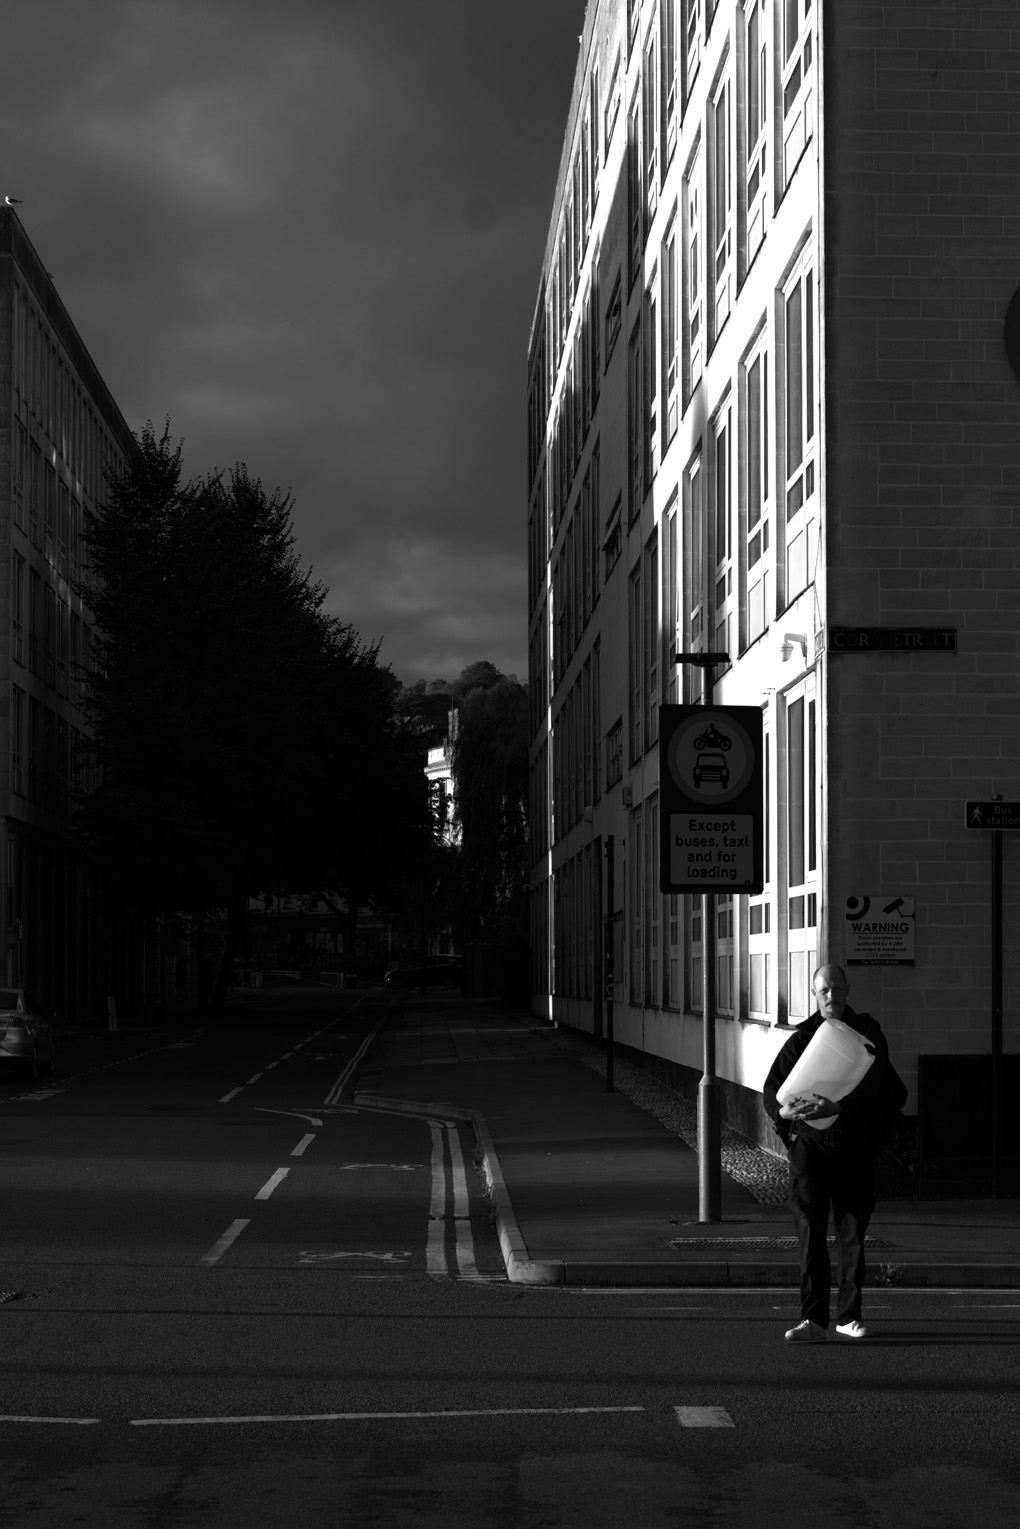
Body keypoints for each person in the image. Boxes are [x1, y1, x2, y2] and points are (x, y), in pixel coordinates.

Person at [762, 965, 907, 1343]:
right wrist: (784, 1113)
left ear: (847, 990)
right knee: (810, 1233)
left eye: (837, 989)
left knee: (852, 1233)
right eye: (824, 990)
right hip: (810, 1148)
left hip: (853, 1146)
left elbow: (885, 1089)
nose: (831, 996)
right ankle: (812, 1320)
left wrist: (841, 1108)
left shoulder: (868, 1035)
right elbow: (772, 1089)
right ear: (814, 993)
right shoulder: (804, 1038)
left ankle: (849, 1317)